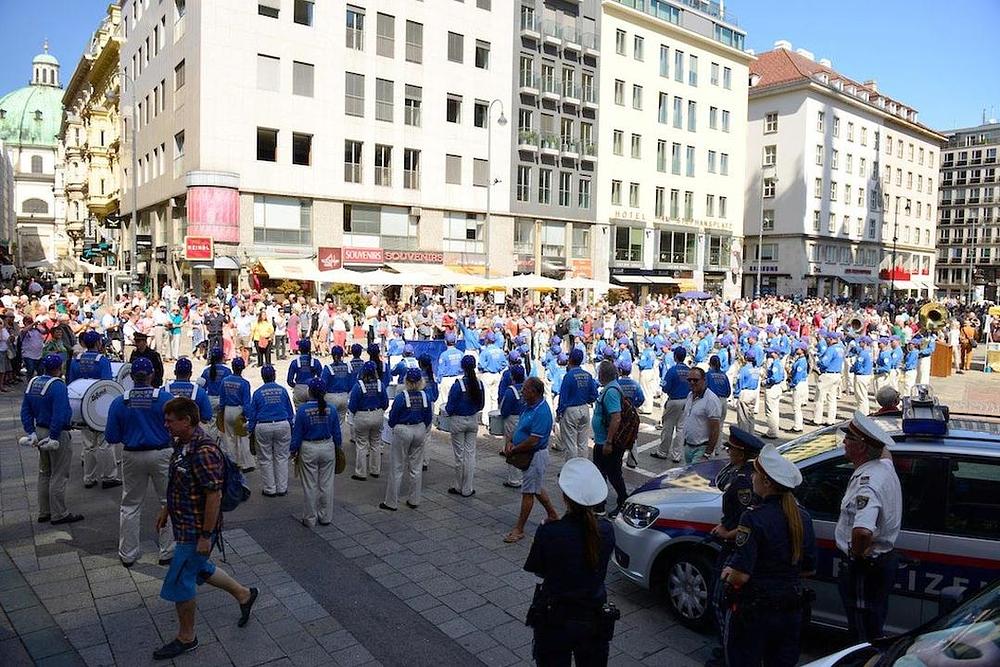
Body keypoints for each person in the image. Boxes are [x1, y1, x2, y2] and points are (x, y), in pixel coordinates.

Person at [153, 397, 259, 660]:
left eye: (170, 421)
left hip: (196, 530)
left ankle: (187, 637)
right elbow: (178, 481)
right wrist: (167, 509)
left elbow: (214, 496)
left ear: (186, 420)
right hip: (185, 525)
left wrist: (204, 535)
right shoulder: (183, 444)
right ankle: (244, 594)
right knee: (201, 568)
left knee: (181, 580)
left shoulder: (204, 451)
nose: (166, 425)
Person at [720, 444, 816, 667]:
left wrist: (728, 573)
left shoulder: (753, 518)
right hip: (791, 609)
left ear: (766, 483)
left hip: (755, 611)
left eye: (756, 473)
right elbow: (809, 567)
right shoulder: (803, 517)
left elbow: (741, 576)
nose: (751, 477)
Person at [524, 458, 616, 666]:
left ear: (565, 497)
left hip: (556, 616)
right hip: (593, 615)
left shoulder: (551, 532)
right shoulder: (606, 530)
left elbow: (538, 569)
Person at [836, 410, 902, 643]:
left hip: (866, 568)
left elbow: (863, 530)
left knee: (863, 631)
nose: (843, 442)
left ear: (862, 447)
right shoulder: (883, 467)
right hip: (881, 564)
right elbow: (885, 452)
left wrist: (856, 556)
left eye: (849, 439)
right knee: (874, 619)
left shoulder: (868, 484)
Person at [105, 357, 175, 567]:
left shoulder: (119, 401)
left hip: (132, 455)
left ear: (131, 376)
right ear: (152, 375)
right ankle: (167, 551)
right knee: (168, 501)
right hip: (162, 454)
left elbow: (111, 436)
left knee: (130, 505)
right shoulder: (165, 399)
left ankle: (128, 553)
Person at [707, 427, 763, 660]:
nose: (728, 452)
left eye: (731, 448)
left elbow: (745, 522)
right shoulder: (744, 473)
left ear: (741, 452)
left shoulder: (743, 482)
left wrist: (725, 533)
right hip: (736, 546)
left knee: (720, 600)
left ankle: (728, 650)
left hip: (735, 548)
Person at [19, 354, 84, 525]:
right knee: (59, 473)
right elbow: (59, 413)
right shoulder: (58, 386)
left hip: (39, 429)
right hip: (56, 433)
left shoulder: (33, 383)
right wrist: (54, 436)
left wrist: (30, 431)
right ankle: (59, 513)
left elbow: (25, 410)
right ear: (59, 368)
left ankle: (44, 511)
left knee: (44, 472)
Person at [504, 377, 560, 543]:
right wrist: (510, 441)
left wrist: (515, 448)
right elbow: (520, 427)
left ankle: (519, 529)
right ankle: (552, 514)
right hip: (527, 453)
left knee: (528, 492)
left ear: (534, 392)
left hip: (535, 456)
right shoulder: (528, 407)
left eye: (526, 389)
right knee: (536, 487)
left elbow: (534, 440)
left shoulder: (542, 412)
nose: (523, 392)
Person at [68, 330, 121, 489]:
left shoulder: (76, 360)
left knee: (88, 444)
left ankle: (88, 478)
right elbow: (107, 385)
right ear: (98, 343)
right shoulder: (102, 360)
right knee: (105, 443)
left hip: (81, 405)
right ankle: (109, 476)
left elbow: (71, 383)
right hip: (99, 405)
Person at [290, 377, 343, 527]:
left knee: (310, 485)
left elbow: (297, 434)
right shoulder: (331, 409)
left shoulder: (302, 410)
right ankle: (325, 517)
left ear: (309, 391)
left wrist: (293, 450)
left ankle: (310, 518)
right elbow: (337, 433)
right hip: (327, 447)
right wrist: (338, 448)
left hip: (309, 448)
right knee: (326, 484)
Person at [381, 368, 433, 511]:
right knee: (416, 467)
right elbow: (428, 417)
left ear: (406, 381)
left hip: (403, 430)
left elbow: (393, 417)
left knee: (397, 466)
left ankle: (391, 502)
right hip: (419, 429)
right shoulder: (425, 396)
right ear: (421, 381)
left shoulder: (401, 397)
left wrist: (393, 427)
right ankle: (414, 499)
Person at [247, 364, 295, 497]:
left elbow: (252, 415)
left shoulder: (257, 393)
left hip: (263, 426)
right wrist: (291, 427)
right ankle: (282, 488)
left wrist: (251, 431)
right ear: (274, 375)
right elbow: (290, 412)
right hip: (282, 424)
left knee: (265, 458)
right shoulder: (283, 391)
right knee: (282, 457)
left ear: (262, 377)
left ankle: (269, 488)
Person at [445, 354, 485, 497]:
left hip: (458, 421)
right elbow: (481, 404)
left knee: (459, 456)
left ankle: (458, 486)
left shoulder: (458, 385)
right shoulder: (479, 384)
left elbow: (450, 406)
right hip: (473, 420)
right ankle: (468, 488)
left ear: (462, 367)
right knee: (470, 454)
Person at [591, 361, 628, 517]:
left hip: (606, 443)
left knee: (611, 473)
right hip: (603, 440)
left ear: (601, 375)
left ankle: (622, 501)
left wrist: (608, 442)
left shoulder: (611, 391)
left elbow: (616, 418)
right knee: (604, 472)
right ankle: (600, 504)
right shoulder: (611, 388)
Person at [347, 361, 389, 481]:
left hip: (362, 415)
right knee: (376, 442)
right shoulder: (380, 384)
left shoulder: (359, 386)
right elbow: (385, 403)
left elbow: (352, 405)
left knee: (361, 444)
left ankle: (361, 472)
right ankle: (375, 470)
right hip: (377, 414)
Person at [555, 348, 598, 459]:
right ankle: (583, 468)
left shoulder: (568, 376)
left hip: (570, 410)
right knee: (583, 443)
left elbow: (563, 397)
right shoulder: (587, 375)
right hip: (584, 408)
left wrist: (559, 413)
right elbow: (594, 394)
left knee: (570, 444)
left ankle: (571, 471)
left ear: (570, 360)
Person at [679, 367, 723, 463]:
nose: (692, 382)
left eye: (695, 380)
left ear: (704, 380)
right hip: (688, 447)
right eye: (689, 380)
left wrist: (707, 453)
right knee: (688, 476)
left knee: (694, 476)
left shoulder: (711, 400)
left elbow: (715, 429)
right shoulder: (690, 395)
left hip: (701, 449)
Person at [654, 347, 690, 462]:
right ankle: (677, 455)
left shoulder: (672, 370)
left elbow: (665, 388)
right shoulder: (689, 371)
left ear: (675, 356)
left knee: (668, 427)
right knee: (681, 428)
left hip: (674, 400)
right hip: (686, 401)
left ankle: (663, 452)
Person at [220, 358, 254, 472]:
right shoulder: (244, 383)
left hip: (227, 410)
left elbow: (222, 399)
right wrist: (248, 416)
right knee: (242, 437)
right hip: (238, 411)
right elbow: (246, 403)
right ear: (242, 368)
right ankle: (245, 463)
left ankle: (232, 462)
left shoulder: (225, 381)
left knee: (229, 438)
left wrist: (222, 411)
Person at [499, 364, 527, 489]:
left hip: (512, 420)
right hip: (526, 418)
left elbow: (504, 409)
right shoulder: (527, 388)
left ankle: (514, 479)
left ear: (512, 376)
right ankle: (524, 474)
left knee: (512, 447)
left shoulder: (511, 391)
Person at [812, 331, 844, 426]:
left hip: (828, 375)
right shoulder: (840, 348)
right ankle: (831, 420)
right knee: (832, 399)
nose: (826, 340)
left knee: (819, 398)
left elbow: (824, 363)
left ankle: (817, 420)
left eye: (827, 339)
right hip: (837, 374)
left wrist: (818, 361)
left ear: (830, 339)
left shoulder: (831, 349)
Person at [321, 345, 353, 438]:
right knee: (341, 423)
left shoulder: (328, 368)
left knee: (330, 422)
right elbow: (351, 383)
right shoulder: (348, 367)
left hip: (331, 397)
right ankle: (340, 445)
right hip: (344, 396)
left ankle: (332, 444)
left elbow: (323, 384)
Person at [287, 339, 322, 406]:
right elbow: (321, 378)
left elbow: (289, 380)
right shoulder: (315, 362)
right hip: (312, 388)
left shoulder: (295, 362)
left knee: (300, 412)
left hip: (299, 388)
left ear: (299, 349)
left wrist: (296, 386)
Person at [762, 347, 786, 439]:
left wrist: (766, 381)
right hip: (777, 388)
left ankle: (772, 432)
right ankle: (774, 430)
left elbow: (775, 378)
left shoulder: (776, 363)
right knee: (775, 410)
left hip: (773, 388)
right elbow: (783, 376)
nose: (770, 354)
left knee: (770, 411)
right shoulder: (779, 362)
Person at [851, 337, 875, 416]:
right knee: (864, 397)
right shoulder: (869, 352)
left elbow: (858, 365)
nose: (859, 343)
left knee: (861, 398)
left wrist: (853, 368)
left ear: (864, 342)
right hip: (867, 375)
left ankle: (861, 415)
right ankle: (865, 413)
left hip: (861, 376)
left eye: (861, 342)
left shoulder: (863, 353)